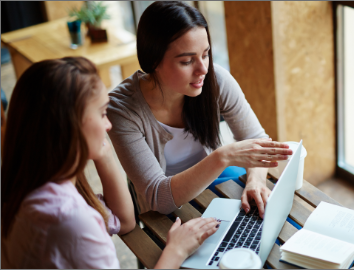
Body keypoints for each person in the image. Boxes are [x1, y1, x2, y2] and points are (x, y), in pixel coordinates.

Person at [1, 57, 220, 268]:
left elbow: (124, 221)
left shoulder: (27, 184)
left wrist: (100, 149)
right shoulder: (70, 220)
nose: (108, 125)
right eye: (101, 113)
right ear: (69, 126)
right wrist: (176, 251)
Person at [107, 1, 292, 219]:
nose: (203, 69)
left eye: (205, 54)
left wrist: (256, 181)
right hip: (165, 207)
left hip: (215, 178)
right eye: (187, 61)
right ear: (153, 60)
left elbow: (256, 138)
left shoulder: (215, 79)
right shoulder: (122, 109)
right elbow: (158, 197)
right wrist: (222, 157)